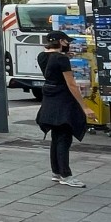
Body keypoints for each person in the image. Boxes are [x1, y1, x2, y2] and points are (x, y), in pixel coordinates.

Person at [31, 30, 88, 186]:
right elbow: (71, 84)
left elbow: (51, 72)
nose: (68, 44)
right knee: (64, 136)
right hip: (63, 99)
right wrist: (84, 107)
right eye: (67, 41)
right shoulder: (61, 59)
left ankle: (56, 172)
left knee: (56, 136)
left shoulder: (42, 56)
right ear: (61, 41)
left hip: (50, 98)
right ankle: (65, 175)